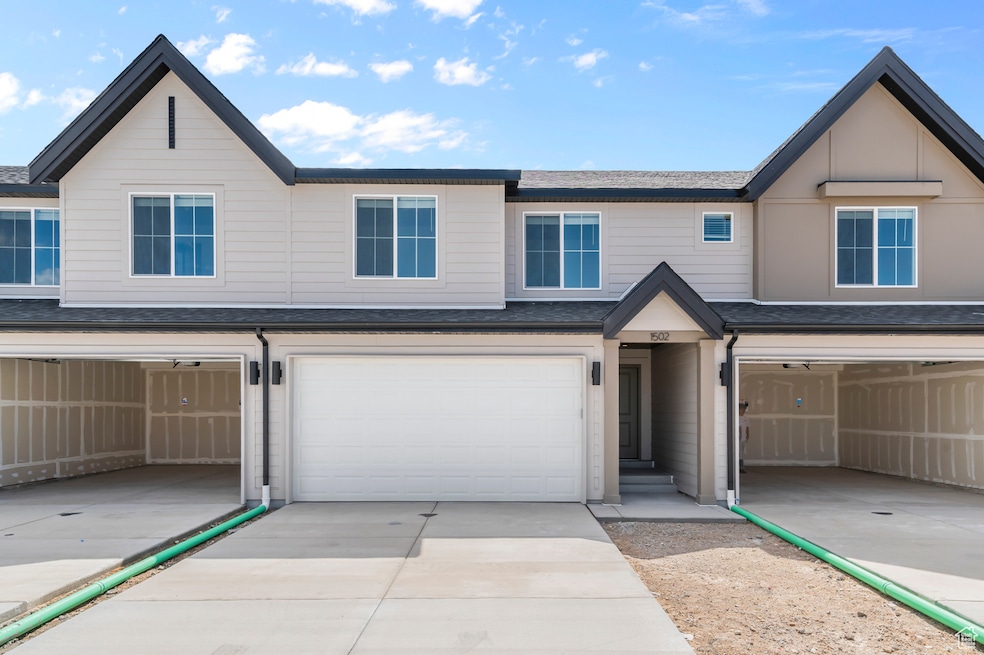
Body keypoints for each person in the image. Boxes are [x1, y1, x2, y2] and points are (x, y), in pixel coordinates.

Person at [738, 400, 750, 474]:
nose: (743, 411)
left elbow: (747, 427)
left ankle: (741, 467)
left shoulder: (746, 418)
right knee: (738, 453)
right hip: (738, 438)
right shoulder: (736, 417)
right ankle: (738, 467)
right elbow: (738, 427)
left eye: (744, 409)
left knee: (742, 453)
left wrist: (748, 435)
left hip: (743, 438)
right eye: (741, 409)